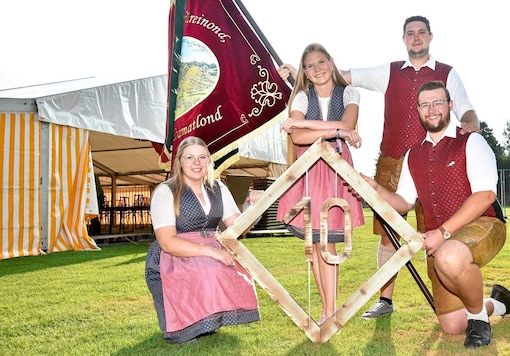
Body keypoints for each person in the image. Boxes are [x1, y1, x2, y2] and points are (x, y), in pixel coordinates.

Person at [279, 15, 481, 320]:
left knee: (434, 229)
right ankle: (386, 300)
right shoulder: (388, 72)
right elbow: (342, 75)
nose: (416, 38)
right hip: (392, 160)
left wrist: (472, 122)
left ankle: (446, 296)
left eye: (421, 33)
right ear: (403, 39)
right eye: (410, 33)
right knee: (389, 231)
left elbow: (464, 107)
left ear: (430, 36)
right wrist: (300, 75)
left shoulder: (447, 73)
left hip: (431, 160)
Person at [361, 81, 510, 348]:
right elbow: (404, 202)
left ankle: (479, 321)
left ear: (450, 105)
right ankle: (499, 303)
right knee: (452, 326)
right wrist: (376, 188)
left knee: (449, 255)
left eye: (438, 102)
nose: (432, 108)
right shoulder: (413, 155)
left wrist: (442, 232)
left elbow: (485, 195)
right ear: (418, 110)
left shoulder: (471, 140)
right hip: (441, 240)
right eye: (425, 104)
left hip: (483, 224)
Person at [276, 43, 365, 324]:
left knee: (328, 243)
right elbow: (298, 139)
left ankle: (331, 309)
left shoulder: (350, 92)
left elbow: (347, 125)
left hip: (336, 170)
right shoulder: (302, 96)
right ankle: (327, 310)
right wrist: (336, 130)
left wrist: (306, 125)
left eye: (321, 62)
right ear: (304, 71)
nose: (318, 69)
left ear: (331, 62)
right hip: (309, 170)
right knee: (315, 244)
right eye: (310, 65)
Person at [145, 136, 262, 344]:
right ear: (179, 161)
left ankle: (208, 318)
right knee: (207, 267)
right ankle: (185, 325)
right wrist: (212, 252)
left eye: (202, 157)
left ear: (209, 161)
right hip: (176, 252)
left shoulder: (218, 188)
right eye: (189, 157)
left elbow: (238, 228)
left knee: (237, 265)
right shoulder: (166, 191)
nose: (196, 163)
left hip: (212, 245)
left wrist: (253, 208)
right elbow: (167, 242)